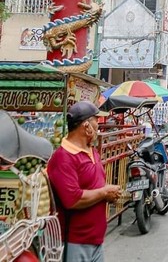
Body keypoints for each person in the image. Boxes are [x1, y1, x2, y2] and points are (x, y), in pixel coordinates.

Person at [46, 101, 122, 262]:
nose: (98, 126)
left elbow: (94, 184)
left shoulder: (92, 150)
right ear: (86, 125)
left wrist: (106, 192)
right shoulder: (63, 157)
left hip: (95, 239)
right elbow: (73, 199)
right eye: (96, 121)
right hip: (74, 241)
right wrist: (104, 193)